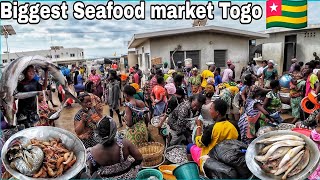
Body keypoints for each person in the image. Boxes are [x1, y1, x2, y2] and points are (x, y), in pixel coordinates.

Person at [190, 99, 238, 167]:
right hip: (227, 157)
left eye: (211, 109)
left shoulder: (211, 128)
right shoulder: (234, 126)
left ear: (217, 113)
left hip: (210, 159)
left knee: (190, 147)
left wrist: (198, 126)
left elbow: (199, 143)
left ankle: (197, 170)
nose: (209, 111)